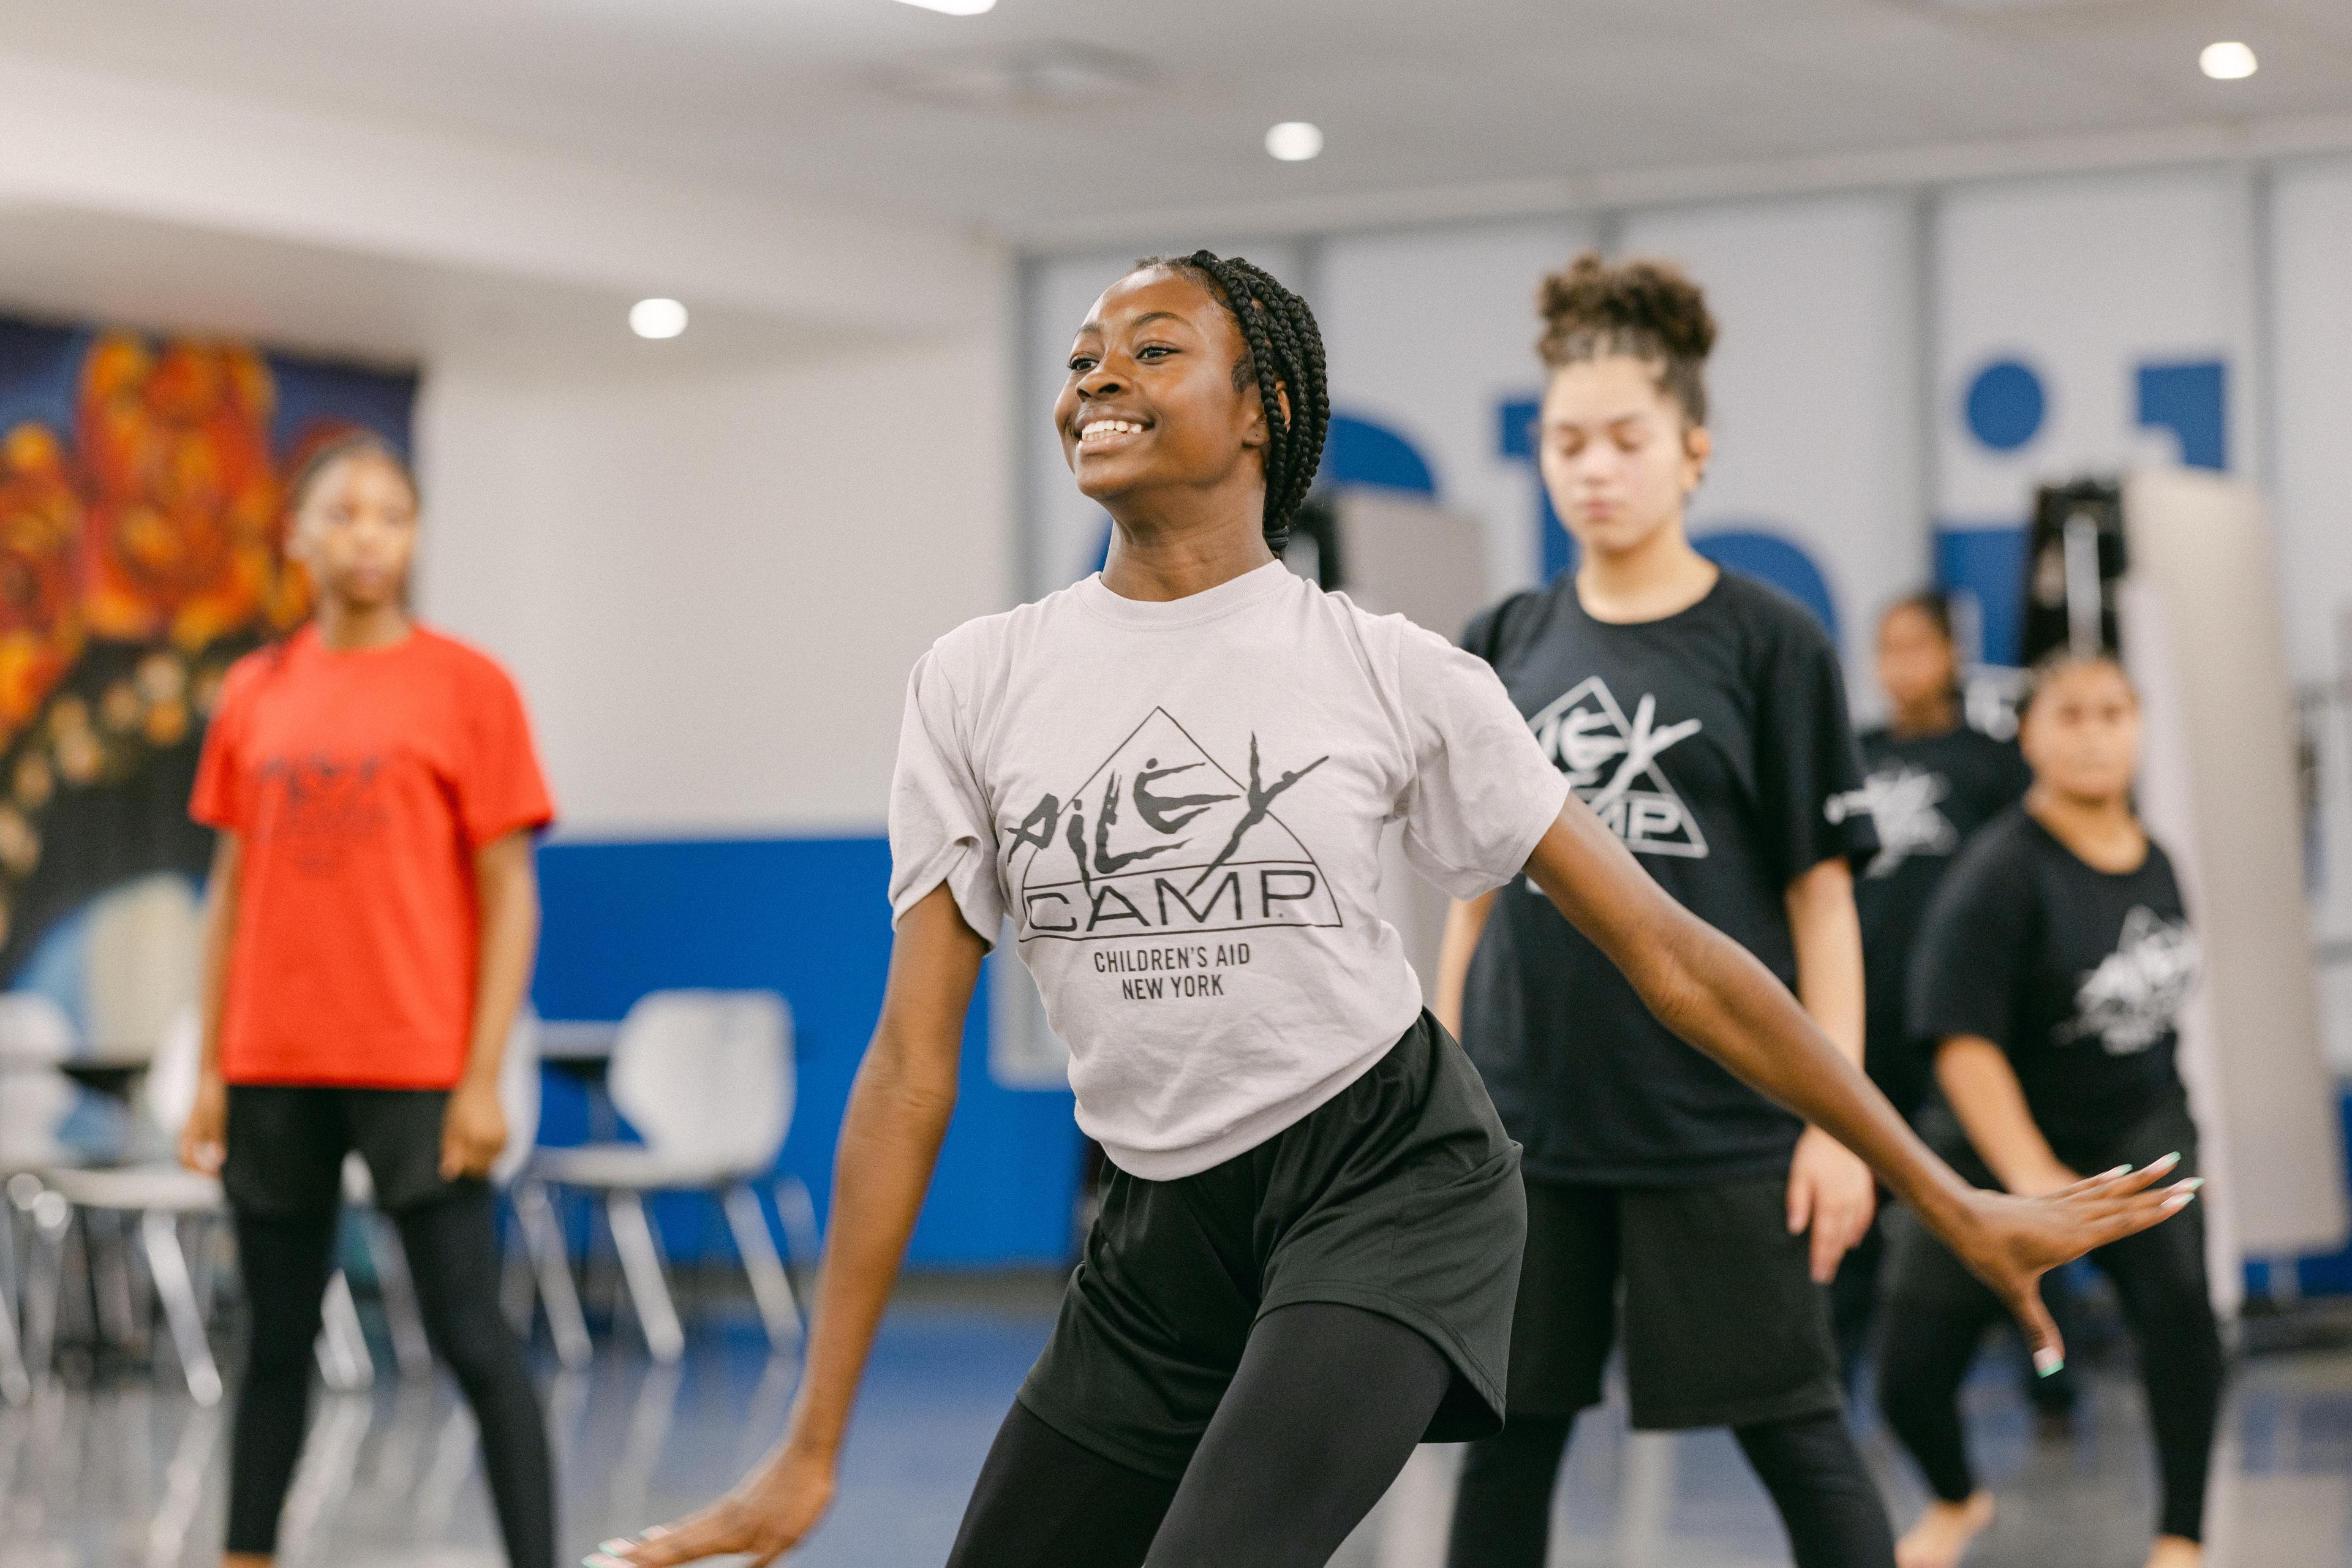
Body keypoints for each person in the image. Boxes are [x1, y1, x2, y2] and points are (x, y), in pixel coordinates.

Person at [590, 252, 2193, 1568]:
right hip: (1156, 1230)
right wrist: (810, 1452)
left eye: (1153, 350)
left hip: (1392, 1182)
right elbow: (908, 1072)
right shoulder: (977, 681)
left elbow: (1677, 960)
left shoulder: (1394, 671)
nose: (1095, 379)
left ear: (1265, 410)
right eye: (1081, 357)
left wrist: (1937, 1187)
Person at [1436, 252, 1899, 1568]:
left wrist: (1839, 1121)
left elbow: (1824, 906)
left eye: (1626, 439)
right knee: (1508, 1441)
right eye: (1565, 441)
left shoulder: (1771, 642)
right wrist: (1440, 1098)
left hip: (1723, 1125)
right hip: (1532, 1133)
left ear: (1691, 449)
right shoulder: (1505, 636)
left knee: (1798, 1433)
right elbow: (1469, 905)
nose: (1594, 466)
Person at [178, 431, 558, 1568]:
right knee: (275, 1344)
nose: (367, 536)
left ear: (414, 535)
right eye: (342, 514)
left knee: (474, 1341)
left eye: (391, 514)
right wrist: (208, 1070)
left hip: (419, 1068)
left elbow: (512, 896)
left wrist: (483, 1076)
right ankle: (247, 1554)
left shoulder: (469, 687)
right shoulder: (255, 691)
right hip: (271, 1065)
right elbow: (230, 895)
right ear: (297, 536)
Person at [1878, 649, 2220, 1568]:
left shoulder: (2159, 861)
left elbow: (2151, 1016)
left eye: (2114, 712)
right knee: (1909, 1376)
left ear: (2141, 727)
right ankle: (1958, 1501)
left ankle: (2182, 1539)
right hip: (1998, 1143)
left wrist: (2177, 1136)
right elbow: (1962, 1044)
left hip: (2134, 1124)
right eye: (2070, 715)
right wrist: (2033, 1181)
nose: (2095, 734)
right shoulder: (1998, 874)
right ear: (2028, 735)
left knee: (2184, 1314)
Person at [1829, 592, 2035, 1384]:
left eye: (1917, 646)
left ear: (1951, 654)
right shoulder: (1853, 755)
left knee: (1988, 1190)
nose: (1899, 665)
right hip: (1867, 1019)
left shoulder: (1991, 762)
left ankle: (2050, 1369)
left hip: (1959, 1023)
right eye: (1886, 647)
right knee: (1856, 1200)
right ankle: (1838, 1378)